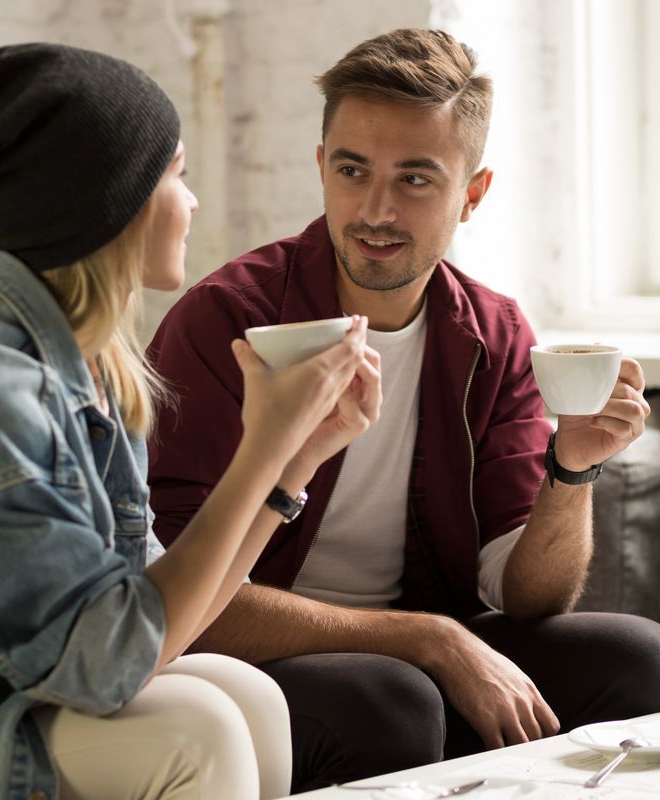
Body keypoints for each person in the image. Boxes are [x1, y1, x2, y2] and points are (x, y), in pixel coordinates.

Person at [0, 43, 383, 800]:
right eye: (174, 173)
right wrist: (260, 446)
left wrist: (298, 458)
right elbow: (114, 664)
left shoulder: (87, 356)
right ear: (108, 203)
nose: (193, 200)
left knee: (250, 697)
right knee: (196, 731)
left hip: (1, 701)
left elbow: (163, 610)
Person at [147, 28, 660, 793]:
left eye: (416, 179)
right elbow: (178, 600)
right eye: (353, 170)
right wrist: (428, 640)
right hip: (265, 661)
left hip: (424, 657)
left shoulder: (495, 335)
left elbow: (528, 597)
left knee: (637, 656)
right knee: (393, 701)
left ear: (473, 194)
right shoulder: (226, 323)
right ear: (322, 168)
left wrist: (571, 468)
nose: (375, 210)